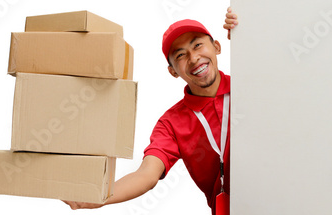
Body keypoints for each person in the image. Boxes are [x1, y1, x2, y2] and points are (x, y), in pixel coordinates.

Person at [64, 8, 239, 215]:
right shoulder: (171, 123)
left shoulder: (252, 87)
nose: (193, 58)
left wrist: (251, 34)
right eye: (181, 55)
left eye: (198, 45)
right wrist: (97, 197)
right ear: (173, 71)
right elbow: (147, 175)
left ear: (217, 47)